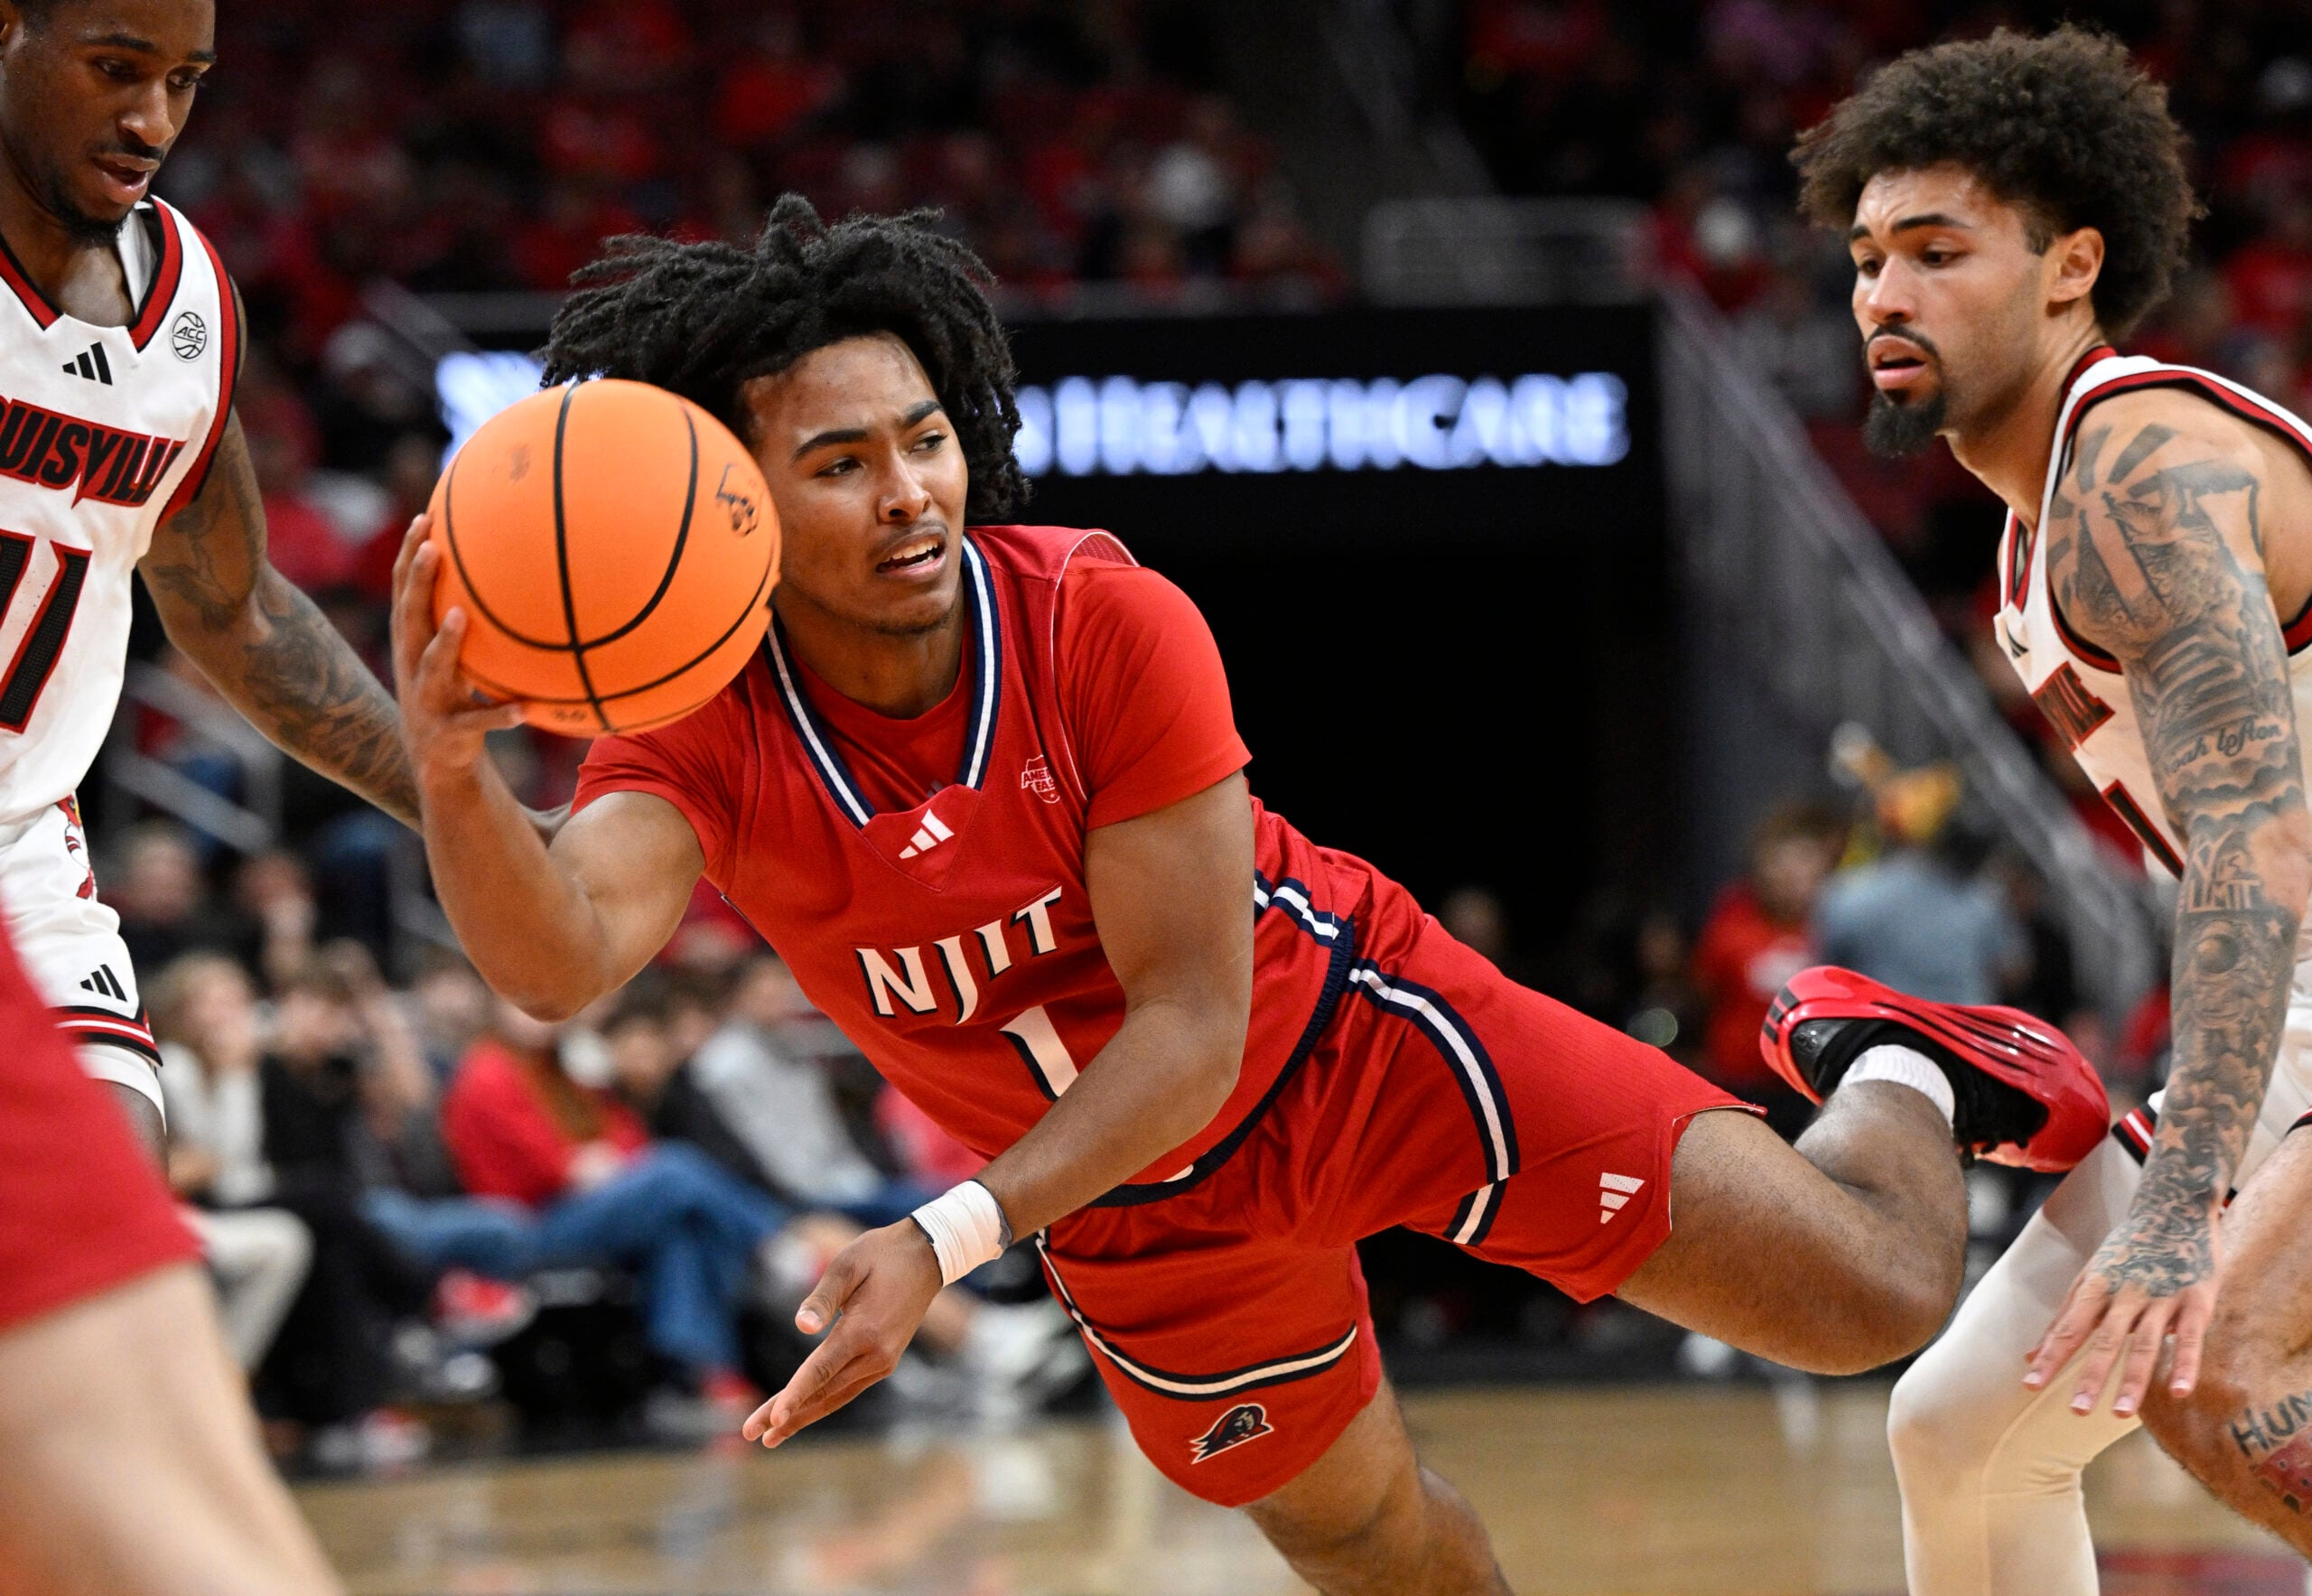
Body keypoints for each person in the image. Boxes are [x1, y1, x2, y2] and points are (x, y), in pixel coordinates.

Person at [390, 197, 2106, 1595]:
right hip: (1134, 1213)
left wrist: (944, 1236)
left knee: (1869, 1300)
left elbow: (1194, 1028)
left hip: (1351, 1035)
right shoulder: (705, 724)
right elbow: (562, 955)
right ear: (729, 499)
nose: (909, 490)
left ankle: (1902, 1062)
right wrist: (458, 770)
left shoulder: (1099, 622)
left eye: (924, 438)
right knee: (1375, 1546)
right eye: (840, 463)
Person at [1791, 24, 2312, 1587]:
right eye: (1871, 255)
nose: (1886, 292)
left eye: (1939, 251)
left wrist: (2174, 1203)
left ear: (2071, 266)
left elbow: (2253, 838)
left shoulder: (2136, 469)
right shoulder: (2028, 541)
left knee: (2216, 1368)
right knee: (1960, 1431)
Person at [0, 0, 424, 1161]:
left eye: (185, 81)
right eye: (115, 69)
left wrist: (461, 804)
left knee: (115, 1208)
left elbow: (236, 609)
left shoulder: (188, 299)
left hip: (20, 839)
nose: (152, 119)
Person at [0, 891, 342, 1594]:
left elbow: (237, 1158)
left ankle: (226, 1394)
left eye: (232, 998)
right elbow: (195, 1166)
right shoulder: (184, 1064)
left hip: (177, 1212)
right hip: (182, 1211)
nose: (223, 1012)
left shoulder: (240, 1064)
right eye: (211, 1000)